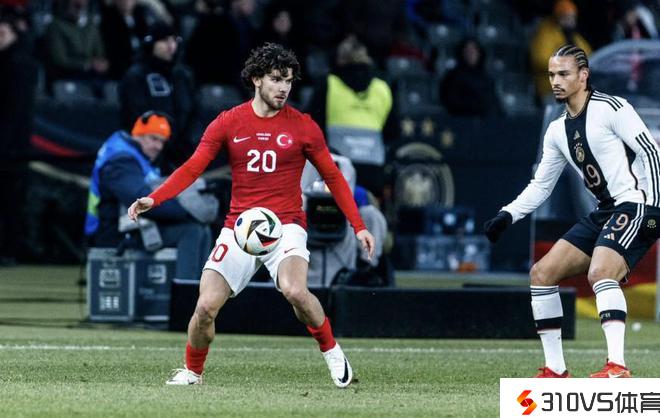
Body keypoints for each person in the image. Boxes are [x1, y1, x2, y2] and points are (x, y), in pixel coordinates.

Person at [127, 43, 376, 387]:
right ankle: (193, 372)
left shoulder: (304, 126)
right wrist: (154, 199)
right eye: (276, 79)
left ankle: (333, 353)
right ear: (256, 79)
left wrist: (358, 225)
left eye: (288, 80)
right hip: (240, 228)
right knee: (205, 308)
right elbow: (193, 167)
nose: (283, 87)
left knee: (294, 291)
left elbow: (333, 176)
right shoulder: (229, 122)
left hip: (286, 225)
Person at [484, 44, 660, 378]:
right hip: (604, 211)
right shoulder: (557, 130)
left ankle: (617, 367)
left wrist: (654, 203)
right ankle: (556, 370)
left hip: (637, 204)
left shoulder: (612, 108)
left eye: (563, 74)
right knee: (541, 274)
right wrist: (508, 215)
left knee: (601, 272)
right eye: (552, 74)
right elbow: (541, 185)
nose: (555, 81)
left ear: (583, 76)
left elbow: (650, 152)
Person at [86, 111, 212, 283]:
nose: (158, 146)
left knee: (202, 229)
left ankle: (198, 290)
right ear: (138, 135)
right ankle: (185, 293)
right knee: (191, 231)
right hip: (114, 234)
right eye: (153, 138)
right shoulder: (121, 161)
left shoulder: (137, 159)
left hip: (133, 228)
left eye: (162, 141)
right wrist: (188, 212)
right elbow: (141, 201)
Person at [307, 35, 394, 199]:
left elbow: (311, 125)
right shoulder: (383, 88)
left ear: (339, 59)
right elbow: (392, 132)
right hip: (373, 171)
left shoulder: (328, 84)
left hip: (337, 169)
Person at [120, 22, 196, 171]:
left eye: (174, 40)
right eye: (164, 40)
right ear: (151, 43)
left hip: (183, 154)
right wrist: (162, 143)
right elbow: (137, 116)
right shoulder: (136, 76)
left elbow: (194, 112)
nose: (171, 46)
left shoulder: (183, 75)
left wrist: (189, 142)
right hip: (149, 154)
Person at [0, 11, 37, 265]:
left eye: (2, 33)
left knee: (11, 199)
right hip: (11, 144)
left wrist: (6, 145)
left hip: (12, 147)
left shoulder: (19, 65)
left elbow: (14, 112)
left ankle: (9, 250)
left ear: (14, 34)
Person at [529, 0, 591, 102]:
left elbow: (590, 56)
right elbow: (540, 59)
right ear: (558, 17)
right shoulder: (546, 33)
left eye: (572, 17)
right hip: (550, 89)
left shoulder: (573, 36)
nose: (570, 21)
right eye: (566, 17)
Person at [440, 37, 500, 117]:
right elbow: (452, 103)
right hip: (465, 120)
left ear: (479, 53)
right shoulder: (452, 77)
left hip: (488, 120)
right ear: (462, 53)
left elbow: (494, 103)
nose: (471, 54)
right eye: (467, 51)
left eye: (473, 51)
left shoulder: (486, 77)